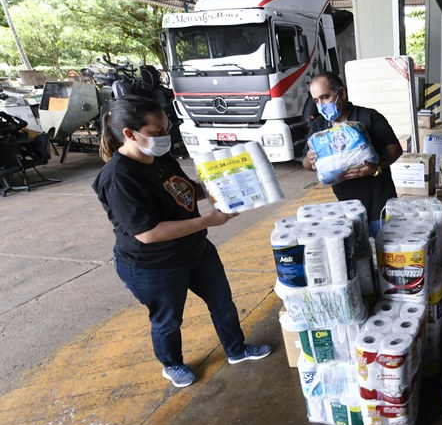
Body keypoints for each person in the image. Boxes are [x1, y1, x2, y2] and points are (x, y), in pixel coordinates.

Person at [92, 95, 271, 389]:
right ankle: (172, 363)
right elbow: (148, 233)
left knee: (222, 302)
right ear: (129, 134)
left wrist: (227, 185)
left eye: (166, 128)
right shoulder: (118, 178)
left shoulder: (161, 158)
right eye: (157, 131)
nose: (165, 136)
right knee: (168, 320)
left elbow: (184, 191)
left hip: (194, 250)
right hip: (153, 265)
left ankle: (236, 349)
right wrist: (208, 221)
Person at [302, 71, 403, 235]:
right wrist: (310, 159)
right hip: (347, 209)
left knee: (385, 247)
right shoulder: (319, 126)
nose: (321, 104)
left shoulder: (369, 117)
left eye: (325, 97)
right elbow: (305, 162)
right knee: (357, 250)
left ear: (341, 93)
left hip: (380, 205)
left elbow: (395, 148)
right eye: (316, 100)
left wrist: (376, 167)